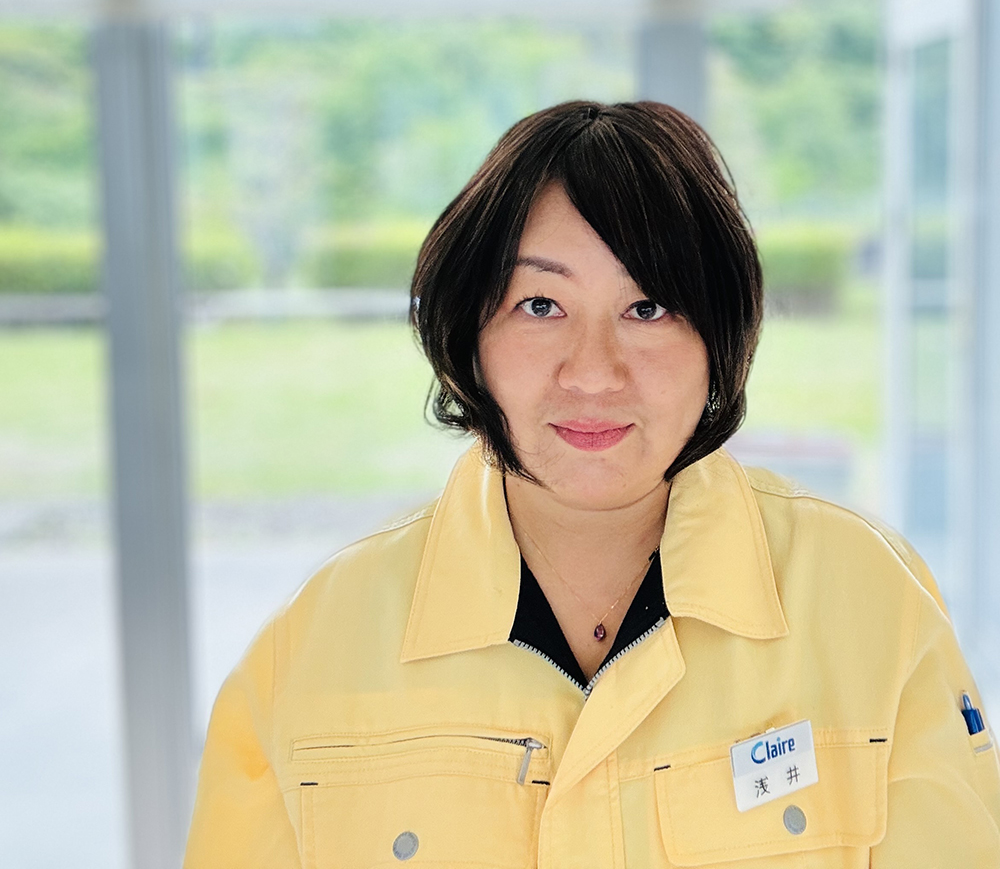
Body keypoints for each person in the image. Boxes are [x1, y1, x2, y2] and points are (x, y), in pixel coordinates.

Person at [184, 100, 1000, 868]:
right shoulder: (312, 648)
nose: (594, 372)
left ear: (719, 337)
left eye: (648, 308)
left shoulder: (870, 602)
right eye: (541, 304)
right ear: (471, 336)